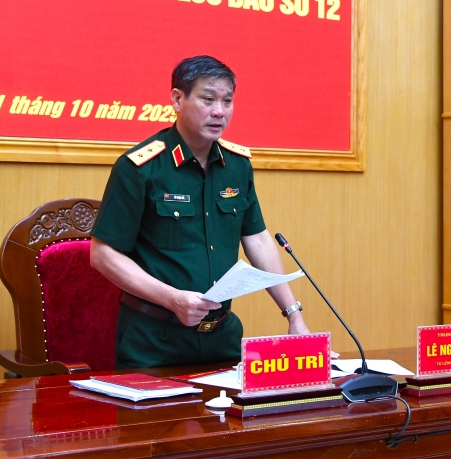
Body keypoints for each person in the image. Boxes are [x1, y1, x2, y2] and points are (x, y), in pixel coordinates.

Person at [88, 55, 315, 369]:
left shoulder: (237, 166)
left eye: (227, 101)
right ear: (177, 99)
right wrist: (172, 299)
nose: (219, 111)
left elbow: (258, 240)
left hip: (222, 338)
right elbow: (102, 255)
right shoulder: (140, 167)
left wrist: (294, 316)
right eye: (208, 99)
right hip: (154, 342)